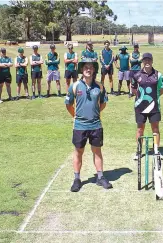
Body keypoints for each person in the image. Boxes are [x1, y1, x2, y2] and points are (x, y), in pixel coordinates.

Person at [65, 58, 112, 192]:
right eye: (85, 67)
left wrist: (95, 113)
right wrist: (76, 116)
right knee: (78, 152)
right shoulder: (74, 86)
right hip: (79, 126)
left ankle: (100, 177)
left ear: (94, 70)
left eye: (91, 67)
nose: (88, 69)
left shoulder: (100, 86)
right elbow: (68, 104)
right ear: (81, 69)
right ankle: (77, 179)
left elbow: (103, 103)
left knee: (97, 151)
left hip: (96, 125)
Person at [131, 53, 163, 160]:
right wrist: (142, 99)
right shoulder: (136, 75)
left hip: (154, 107)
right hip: (140, 107)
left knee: (155, 129)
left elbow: (162, 89)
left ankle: (156, 151)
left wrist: (153, 98)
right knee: (140, 129)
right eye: (145, 60)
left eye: (149, 60)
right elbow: (134, 89)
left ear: (152, 61)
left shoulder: (158, 75)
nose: (147, 62)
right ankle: (139, 151)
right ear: (142, 62)